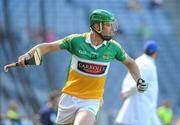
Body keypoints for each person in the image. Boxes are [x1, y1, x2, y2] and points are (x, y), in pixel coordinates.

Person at [17, 9, 148, 125]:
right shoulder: (76, 41)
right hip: (69, 97)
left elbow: (130, 62)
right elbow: (47, 47)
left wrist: (138, 80)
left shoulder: (114, 47)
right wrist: (27, 55)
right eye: (108, 25)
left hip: (91, 100)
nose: (112, 28)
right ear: (97, 26)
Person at [115, 40, 161, 125]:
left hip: (143, 104)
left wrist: (125, 91)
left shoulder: (140, 60)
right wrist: (126, 93)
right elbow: (140, 82)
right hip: (141, 104)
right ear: (154, 52)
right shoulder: (147, 64)